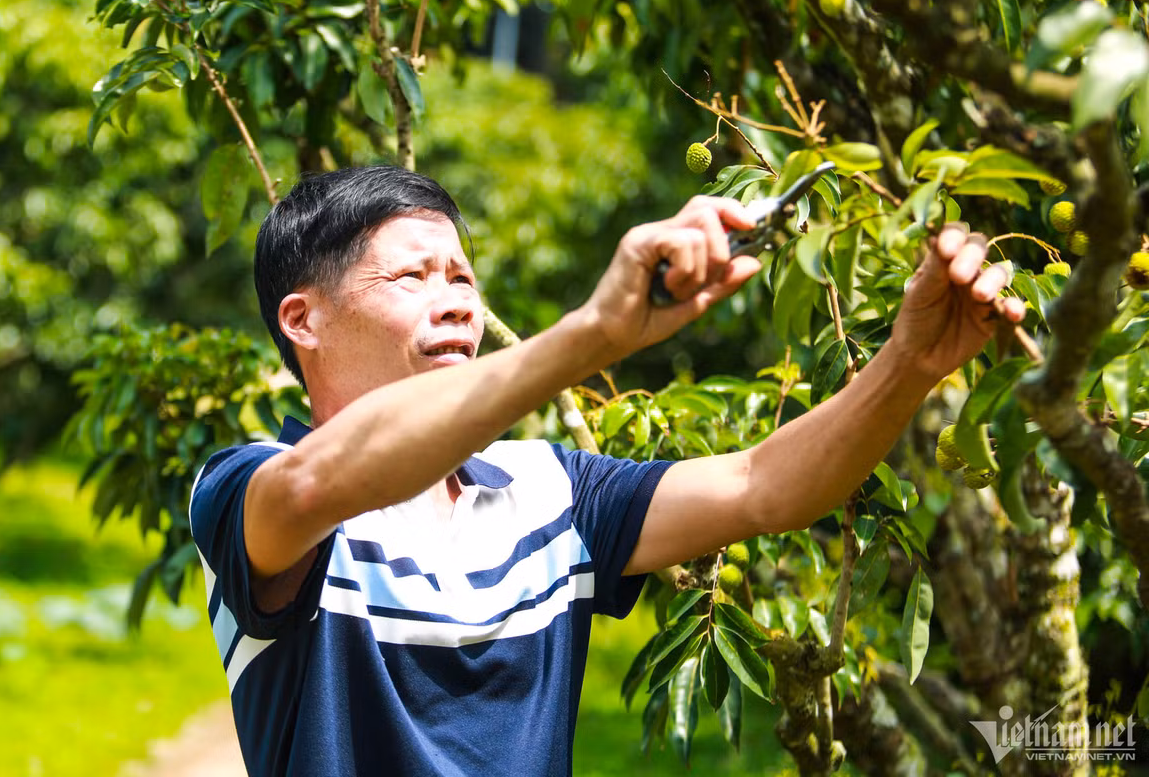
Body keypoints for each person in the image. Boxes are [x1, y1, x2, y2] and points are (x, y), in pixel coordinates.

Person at [189, 165, 1024, 776]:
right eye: (412, 276)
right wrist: (593, 335)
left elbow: (766, 485)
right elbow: (317, 483)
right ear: (303, 320)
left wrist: (911, 362)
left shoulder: (548, 490)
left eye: (464, 279)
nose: (456, 303)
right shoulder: (247, 484)